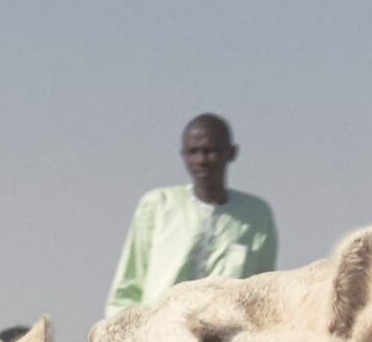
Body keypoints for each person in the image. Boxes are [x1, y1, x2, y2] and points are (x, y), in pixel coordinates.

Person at [110, 112, 275, 311]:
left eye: (210, 151)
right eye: (193, 152)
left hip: (225, 334)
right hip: (160, 331)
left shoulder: (255, 214)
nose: (201, 160)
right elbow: (129, 284)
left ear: (231, 153)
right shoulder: (158, 205)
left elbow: (262, 289)